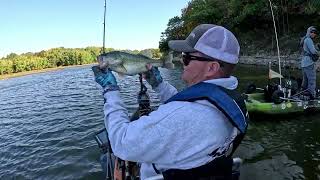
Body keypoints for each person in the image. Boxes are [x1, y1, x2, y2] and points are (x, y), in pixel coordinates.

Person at [92, 24, 249, 180]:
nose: (181, 61)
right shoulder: (231, 100)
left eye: (187, 58)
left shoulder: (183, 117)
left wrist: (110, 90)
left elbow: (121, 143)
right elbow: (189, 103)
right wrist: (159, 85)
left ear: (211, 68)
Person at [300, 26, 319, 98]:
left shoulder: (305, 39)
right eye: (312, 32)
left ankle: (303, 93)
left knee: (305, 79)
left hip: (304, 63)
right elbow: (313, 51)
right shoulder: (309, 40)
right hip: (309, 63)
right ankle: (311, 95)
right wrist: (318, 52)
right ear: (309, 32)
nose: (314, 34)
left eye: (315, 32)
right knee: (312, 79)